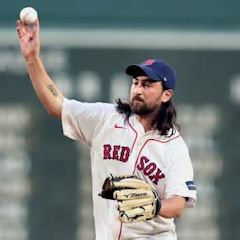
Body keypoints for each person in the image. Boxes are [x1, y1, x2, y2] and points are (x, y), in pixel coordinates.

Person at [16, 19, 197, 240]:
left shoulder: (174, 146)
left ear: (166, 94)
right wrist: (32, 59)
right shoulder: (107, 119)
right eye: (136, 82)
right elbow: (57, 105)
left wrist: (155, 205)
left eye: (148, 84)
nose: (138, 89)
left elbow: (178, 204)